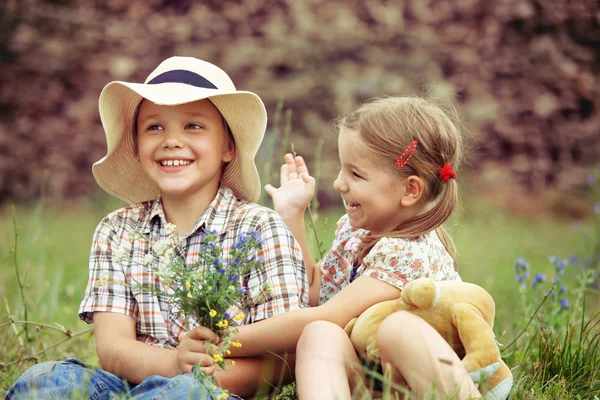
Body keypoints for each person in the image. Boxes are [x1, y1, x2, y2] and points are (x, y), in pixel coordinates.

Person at [5, 56, 309, 400]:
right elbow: (114, 349)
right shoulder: (116, 230)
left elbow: (283, 359)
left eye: (193, 126)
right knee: (43, 380)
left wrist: (187, 381)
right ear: (135, 147)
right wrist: (173, 364)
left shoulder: (258, 227)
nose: (171, 140)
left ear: (228, 147)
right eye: (154, 127)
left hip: (215, 391)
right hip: (131, 385)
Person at [182, 96, 483, 399]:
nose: (339, 183)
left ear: (410, 189)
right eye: (342, 170)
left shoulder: (409, 254)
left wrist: (228, 338)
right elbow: (313, 290)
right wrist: (292, 215)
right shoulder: (355, 233)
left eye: (356, 174)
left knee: (393, 328)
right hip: (375, 386)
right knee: (319, 334)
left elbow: (327, 313)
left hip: (424, 388)